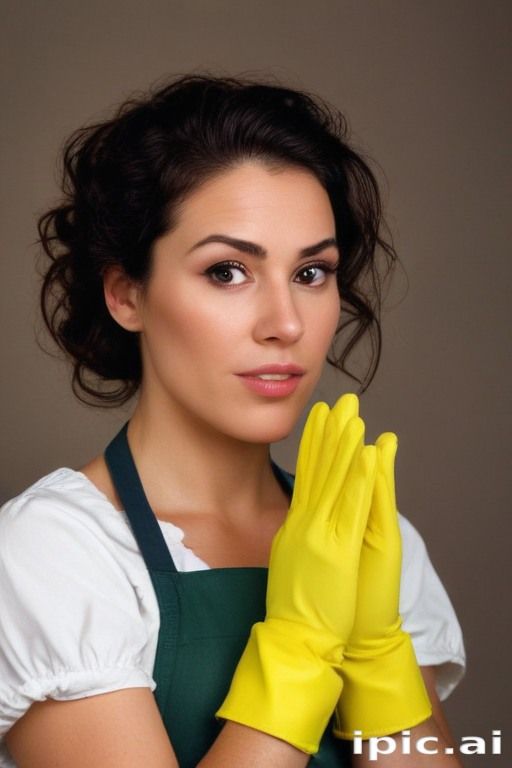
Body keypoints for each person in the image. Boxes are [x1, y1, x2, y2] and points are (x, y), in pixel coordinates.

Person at [0, 75, 465, 767]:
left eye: (312, 273)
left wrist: (376, 654)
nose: (285, 324)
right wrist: (301, 648)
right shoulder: (54, 554)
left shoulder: (374, 542)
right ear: (128, 294)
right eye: (227, 271)